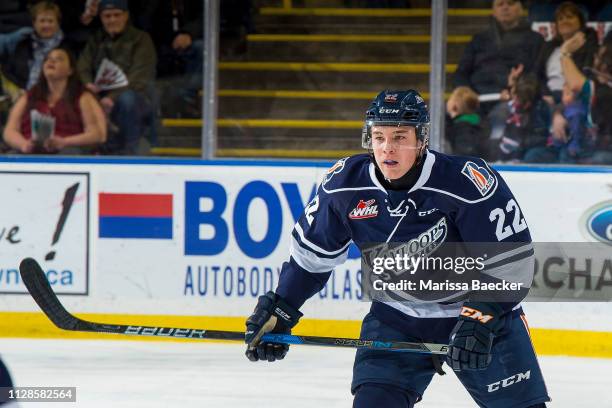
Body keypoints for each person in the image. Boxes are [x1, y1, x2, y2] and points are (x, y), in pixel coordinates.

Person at [244, 90, 550, 407]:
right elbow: (310, 260)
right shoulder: (344, 186)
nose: (388, 148)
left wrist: (480, 318)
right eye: (379, 137)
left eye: (400, 137)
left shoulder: (467, 183)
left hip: (481, 318)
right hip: (397, 321)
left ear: (421, 140)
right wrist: (281, 309)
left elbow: (513, 263)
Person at [77, 0, 157, 155]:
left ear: (126, 16)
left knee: (128, 100)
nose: (112, 20)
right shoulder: (96, 39)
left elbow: (139, 77)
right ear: (101, 18)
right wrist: (87, 85)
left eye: (117, 15)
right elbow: (83, 66)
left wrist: (112, 97)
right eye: (107, 16)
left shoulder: (141, 39)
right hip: (99, 95)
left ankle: (127, 152)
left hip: (134, 96)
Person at [3, 47, 106, 154]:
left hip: (68, 151)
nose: (51, 61)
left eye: (59, 59)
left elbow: (97, 134)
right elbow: (10, 131)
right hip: (31, 151)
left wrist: (64, 142)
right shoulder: (29, 96)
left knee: (69, 154)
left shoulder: (83, 97)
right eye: (47, 59)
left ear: (70, 70)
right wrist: (23, 144)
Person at [454, 0, 543, 114]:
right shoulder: (479, 39)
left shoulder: (535, 40)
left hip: (515, 100)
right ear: (494, 11)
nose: (505, 7)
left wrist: (516, 88)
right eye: (500, 4)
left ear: (521, 9)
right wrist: (466, 92)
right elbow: (461, 72)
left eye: (510, 3)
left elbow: (536, 74)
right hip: (476, 100)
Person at [553, 32, 612, 164]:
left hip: (604, 152)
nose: (595, 58)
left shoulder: (605, 90)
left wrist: (565, 53)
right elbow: (573, 98)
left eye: (600, 56)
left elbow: (575, 85)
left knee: (594, 159)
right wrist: (559, 114)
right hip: (589, 145)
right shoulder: (597, 83)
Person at [534, 1, 598, 105]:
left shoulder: (590, 46)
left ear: (580, 22)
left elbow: (588, 74)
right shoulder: (549, 47)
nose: (564, 21)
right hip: (548, 97)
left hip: (576, 96)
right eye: (560, 19)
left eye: (569, 17)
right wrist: (545, 94)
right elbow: (537, 75)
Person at [0, 1, 71, 97]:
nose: (46, 25)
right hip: (21, 95)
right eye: (42, 21)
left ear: (58, 23)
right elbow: (9, 70)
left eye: (50, 21)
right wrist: (19, 90)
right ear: (34, 23)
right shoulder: (24, 43)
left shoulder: (65, 48)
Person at [445, 86, 486, 157]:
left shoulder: (462, 128)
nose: (448, 101)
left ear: (455, 105)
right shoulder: (478, 121)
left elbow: (463, 155)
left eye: (451, 98)